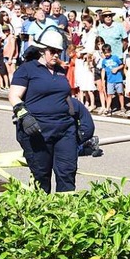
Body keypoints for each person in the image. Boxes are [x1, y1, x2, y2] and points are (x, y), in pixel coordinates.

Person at [7, 26, 81, 193]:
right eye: (52, 51)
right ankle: (42, 213)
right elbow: (13, 96)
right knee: (42, 175)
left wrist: (83, 122)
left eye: (58, 52)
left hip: (64, 129)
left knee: (67, 172)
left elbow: (67, 98)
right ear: (42, 50)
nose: (56, 55)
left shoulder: (61, 71)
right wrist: (23, 115)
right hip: (37, 129)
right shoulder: (27, 69)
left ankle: (66, 213)